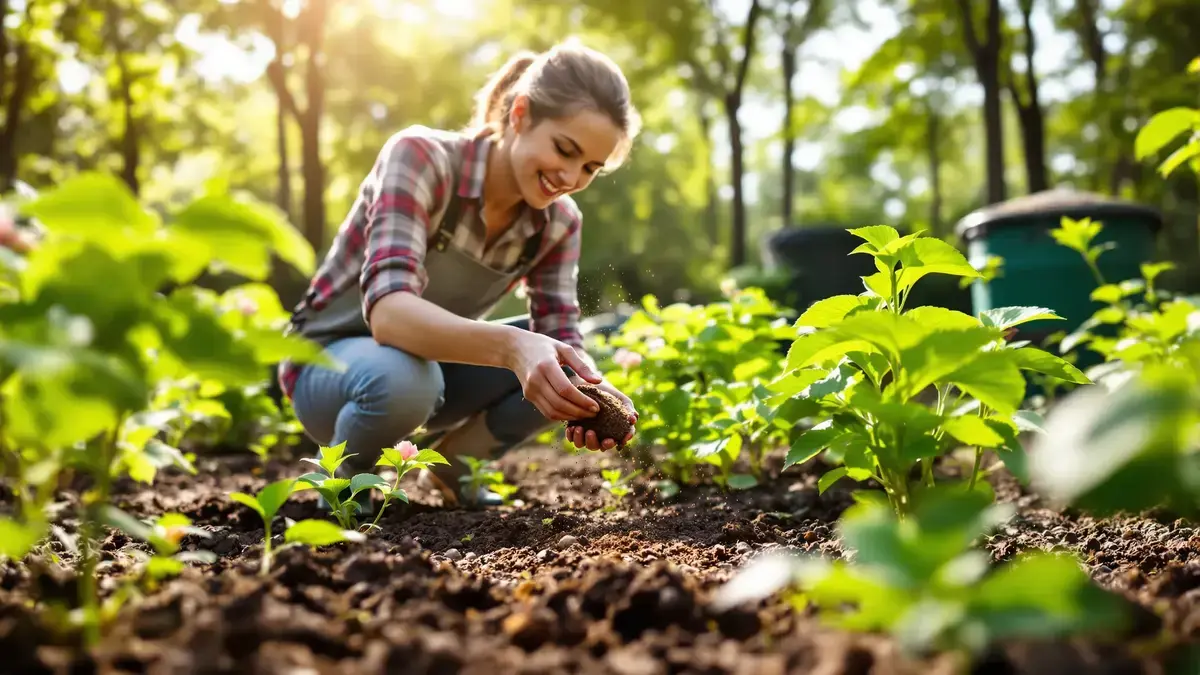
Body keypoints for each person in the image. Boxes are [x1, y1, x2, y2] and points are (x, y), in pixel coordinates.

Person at [279, 39, 642, 508]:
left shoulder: (558, 222)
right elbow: (388, 316)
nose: (570, 177)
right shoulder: (422, 158)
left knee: (559, 366)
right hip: (327, 366)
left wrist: (591, 393)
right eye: (564, 149)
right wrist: (514, 348)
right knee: (410, 380)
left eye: (590, 167)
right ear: (520, 115)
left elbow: (561, 337)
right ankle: (345, 490)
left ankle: (456, 469)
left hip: (422, 366)